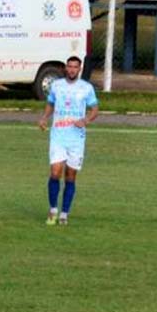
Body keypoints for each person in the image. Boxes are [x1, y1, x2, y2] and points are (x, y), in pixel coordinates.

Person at [39, 56, 98, 226]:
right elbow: (51, 103)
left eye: (75, 67)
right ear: (66, 68)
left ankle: (64, 213)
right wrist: (44, 118)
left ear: (79, 69)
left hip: (76, 139)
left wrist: (85, 120)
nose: (72, 70)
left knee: (70, 176)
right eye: (69, 66)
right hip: (58, 135)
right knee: (55, 172)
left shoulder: (86, 88)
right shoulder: (56, 86)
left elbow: (95, 110)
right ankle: (53, 210)